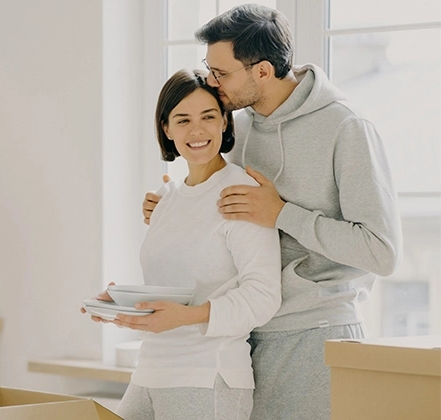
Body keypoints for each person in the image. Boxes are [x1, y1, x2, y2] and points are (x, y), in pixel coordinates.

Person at [141, 5, 403, 420]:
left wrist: (282, 213)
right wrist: (172, 206)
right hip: (240, 338)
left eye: (221, 74)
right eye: (208, 69)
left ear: (261, 72)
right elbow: (224, 214)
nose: (211, 83)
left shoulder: (346, 128)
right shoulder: (236, 127)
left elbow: (382, 252)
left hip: (313, 333)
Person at [87, 69, 282, 420]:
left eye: (208, 116)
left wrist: (189, 317)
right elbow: (175, 286)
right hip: (150, 369)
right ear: (166, 128)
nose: (197, 130)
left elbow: (263, 295)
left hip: (208, 375)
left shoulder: (240, 194)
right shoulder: (167, 199)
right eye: (183, 119)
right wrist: (126, 304)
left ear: (224, 121)